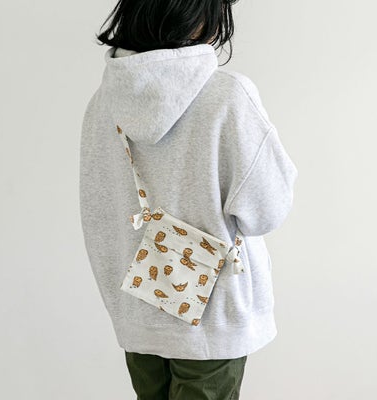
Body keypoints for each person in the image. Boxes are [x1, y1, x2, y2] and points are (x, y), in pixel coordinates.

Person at [79, 1, 298, 399]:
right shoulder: (228, 96)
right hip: (213, 321)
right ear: (196, 14)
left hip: (138, 314)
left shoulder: (102, 104)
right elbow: (266, 211)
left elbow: (97, 215)